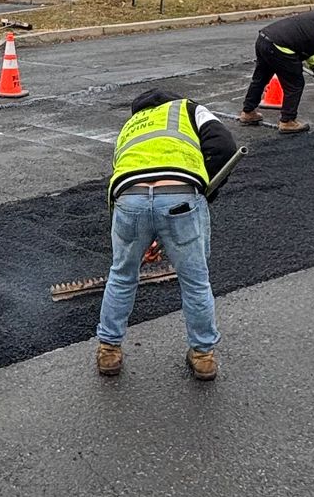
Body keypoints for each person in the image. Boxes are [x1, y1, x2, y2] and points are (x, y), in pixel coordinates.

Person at [95, 85, 239, 383]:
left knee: (121, 275)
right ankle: (203, 357)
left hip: (129, 199)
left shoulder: (130, 126)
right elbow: (224, 147)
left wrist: (140, 236)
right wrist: (202, 192)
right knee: (196, 280)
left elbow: (124, 176)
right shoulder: (188, 108)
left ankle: (108, 350)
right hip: (180, 196)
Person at [238, 5, 314, 132]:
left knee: (261, 79)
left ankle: (248, 112)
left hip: (264, 39)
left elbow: (305, 42)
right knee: (295, 84)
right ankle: (287, 121)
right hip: (280, 47)